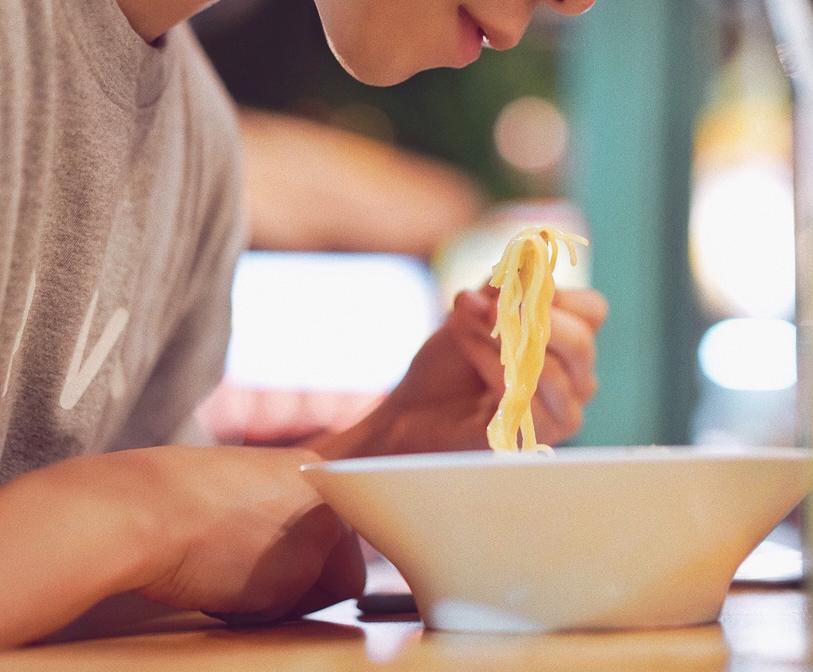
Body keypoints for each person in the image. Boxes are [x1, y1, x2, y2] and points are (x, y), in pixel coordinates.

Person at [0, 0, 602, 648]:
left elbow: (105, 585)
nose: (577, 4)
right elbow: (139, 534)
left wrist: (377, 450)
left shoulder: (198, 144)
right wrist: (141, 508)